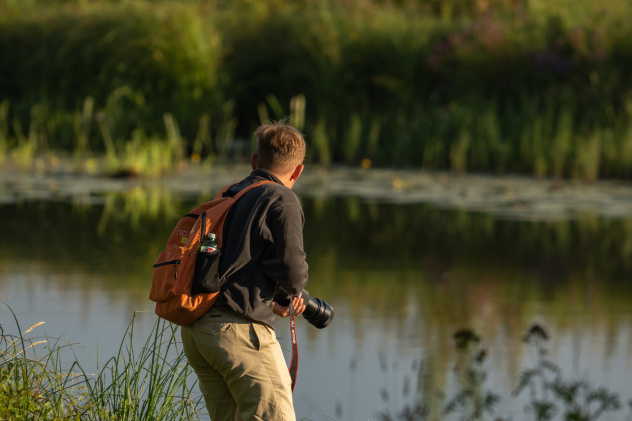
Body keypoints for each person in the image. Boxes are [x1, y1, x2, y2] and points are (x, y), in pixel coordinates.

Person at [181, 120, 309, 421]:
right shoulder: (282, 198)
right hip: (238, 333)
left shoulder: (229, 194)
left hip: (200, 332)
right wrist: (290, 293)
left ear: (254, 162)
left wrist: (271, 298)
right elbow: (293, 275)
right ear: (298, 171)